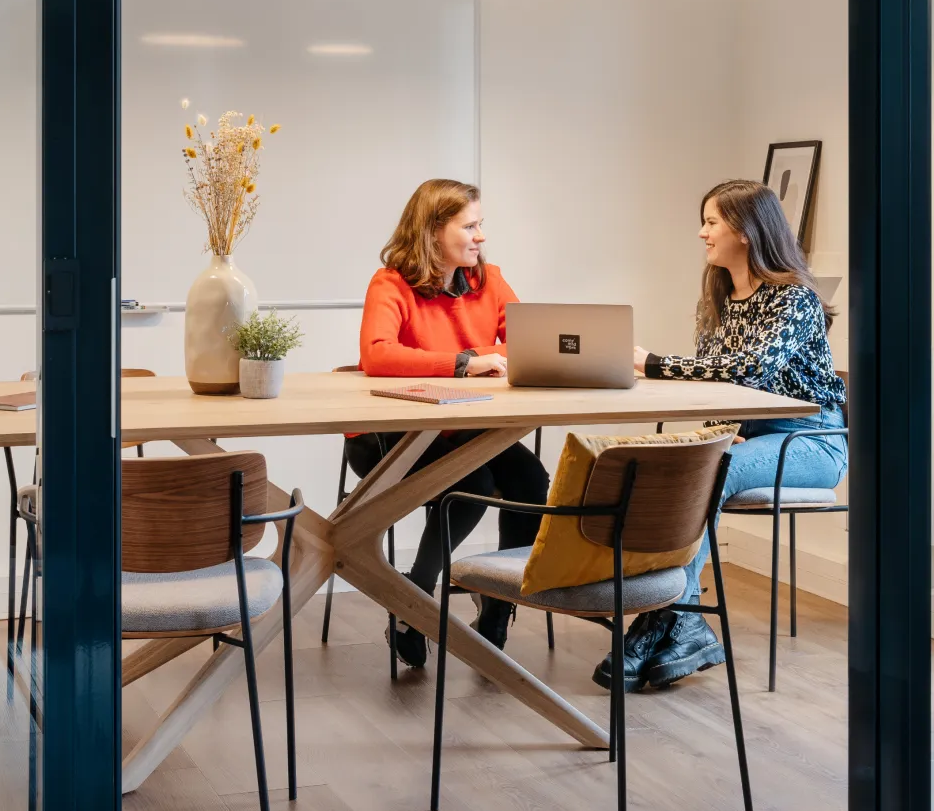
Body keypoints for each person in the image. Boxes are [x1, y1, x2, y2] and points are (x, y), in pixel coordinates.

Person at [595, 178, 848, 692]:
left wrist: (655, 363)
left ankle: (670, 616)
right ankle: (675, 618)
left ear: (747, 232)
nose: (701, 233)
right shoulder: (721, 295)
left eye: (711, 222)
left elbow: (748, 369)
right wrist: (720, 429)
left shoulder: (794, 298)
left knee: (714, 469)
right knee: (679, 467)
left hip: (811, 440)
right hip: (747, 433)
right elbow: (718, 380)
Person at [349, 178, 550, 668]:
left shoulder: (490, 280)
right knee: (475, 479)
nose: (481, 236)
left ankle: (498, 615)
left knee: (531, 479)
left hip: (465, 429)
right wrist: (464, 361)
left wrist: (480, 356)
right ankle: (416, 600)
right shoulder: (391, 283)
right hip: (389, 438)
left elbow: (529, 341)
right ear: (435, 229)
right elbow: (377, 356)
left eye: (481, 225)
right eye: (471, 225)